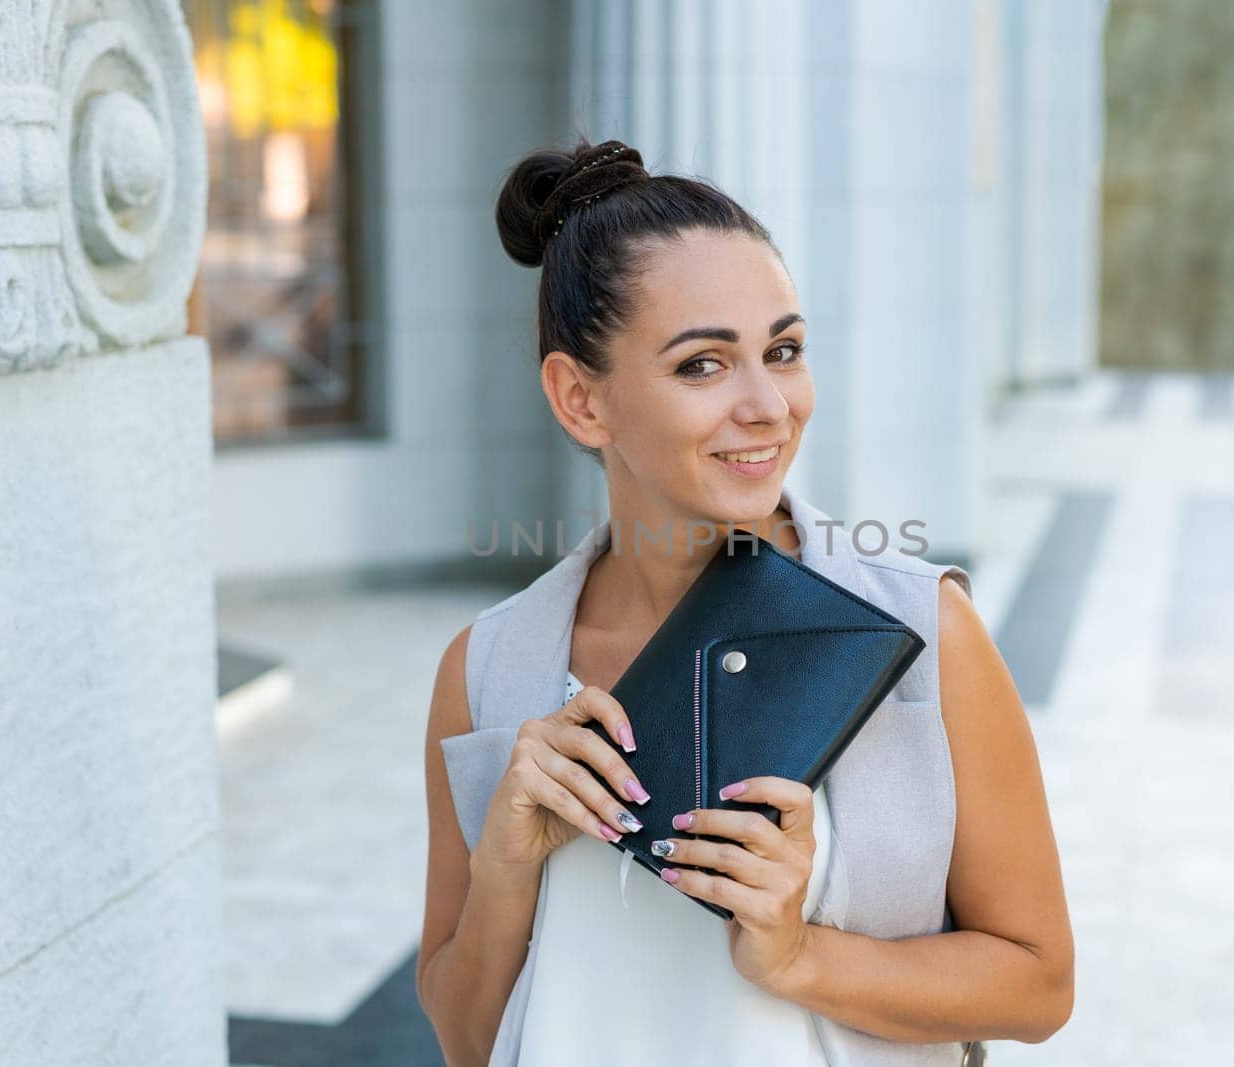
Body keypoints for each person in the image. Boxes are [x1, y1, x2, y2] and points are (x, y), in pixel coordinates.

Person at [416, 138, 1073, 1066]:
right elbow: (463, 1031)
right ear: (579, 399)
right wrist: (508, 868)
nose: (769, 403)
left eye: (785, 350)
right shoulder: (488, 668)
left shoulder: (921, 633)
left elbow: (1038, 983)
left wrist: (804, 958)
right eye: (703, 365)